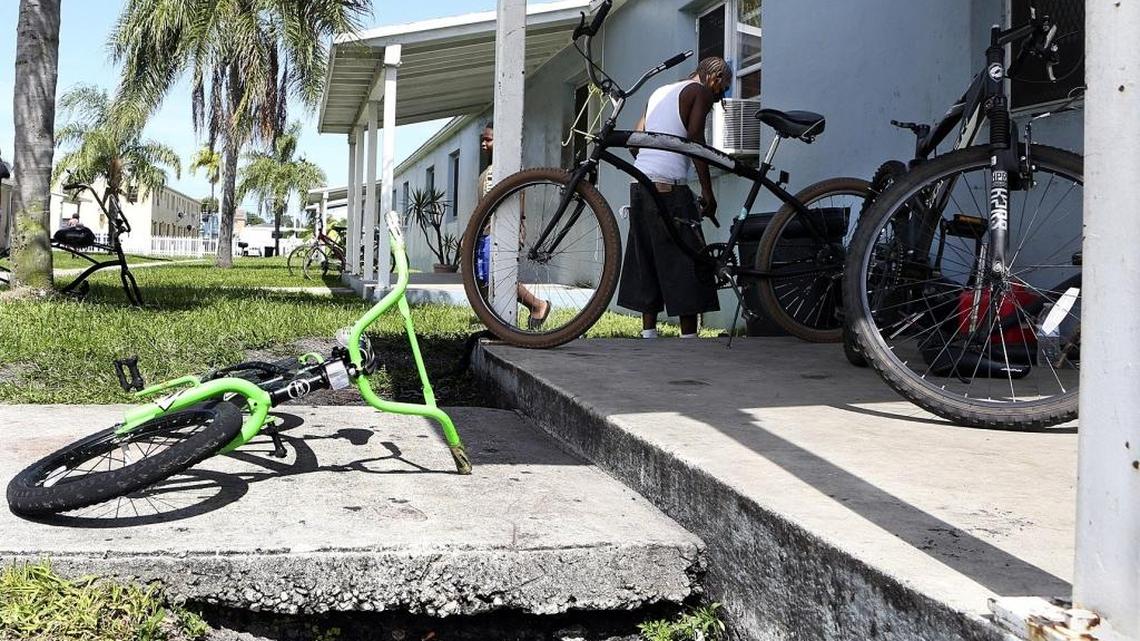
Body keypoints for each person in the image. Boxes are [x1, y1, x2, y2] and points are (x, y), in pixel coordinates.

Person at [617, 57, 731, 339]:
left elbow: (636, 138)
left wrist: (650, 163)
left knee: (646, 256)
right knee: (686, 259)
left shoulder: (659, 93)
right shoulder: (701, 92)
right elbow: (695, 141)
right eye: (722, 89)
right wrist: (707, 191)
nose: (719, 97)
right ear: (714, 79)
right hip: (669, 186)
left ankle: (648, 333)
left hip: (640, 183)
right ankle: (688, 338)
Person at [477, 123, 551, 329]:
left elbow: (518, 199)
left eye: (488, 139)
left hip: (499, 231)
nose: (484, 143)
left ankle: (538, 305)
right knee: (483, 276)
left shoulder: (507, 169)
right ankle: (493, 318)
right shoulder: (489, 172)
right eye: (482, 139)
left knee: (499, 276)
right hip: (484, 231)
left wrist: (519, 226)